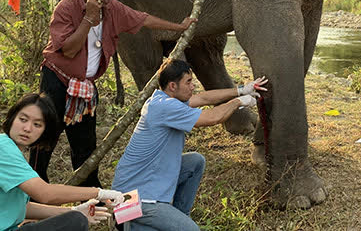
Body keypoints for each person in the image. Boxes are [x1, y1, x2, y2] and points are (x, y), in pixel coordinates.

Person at [29, 0, 196, 188]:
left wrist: (179, 27)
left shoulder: (113, 9)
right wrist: (88, 18)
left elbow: (143, 18)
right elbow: (68, 50)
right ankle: (35, 188)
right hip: (57, 81)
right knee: (46, 136)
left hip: (84, 87)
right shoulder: (66, 9)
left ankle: (89, 190)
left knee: (86, 146)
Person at [112, 59, 267, 231]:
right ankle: (126, 223)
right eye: (189, 82)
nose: (193, 86)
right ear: (172, 86)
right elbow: (212, 118)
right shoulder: (165, 107)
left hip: (139, 191)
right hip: (133, 199)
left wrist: (241, 90)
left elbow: (203, 97)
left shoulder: (162, 99)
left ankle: (176, 216)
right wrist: (240, 102)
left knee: (195, 162)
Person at [0, 93, 125, 231]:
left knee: (73, 219)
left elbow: (21, 208)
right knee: (74, 223)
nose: (27, 128)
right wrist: (98, 193)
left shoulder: (10, 150)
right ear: (11, 119)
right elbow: (45, 194)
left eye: (37, 125)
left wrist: (72, 211)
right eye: (23, 119)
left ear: (44, 131)